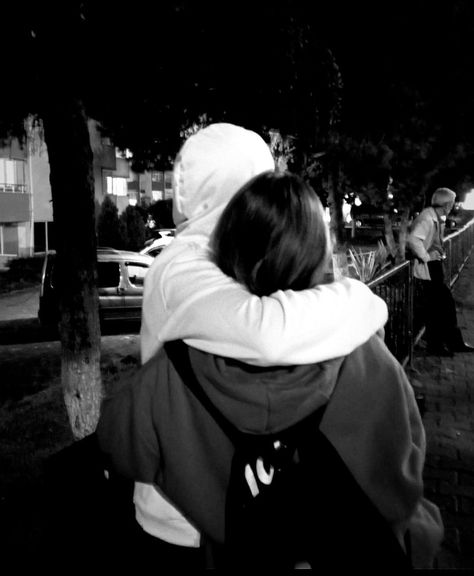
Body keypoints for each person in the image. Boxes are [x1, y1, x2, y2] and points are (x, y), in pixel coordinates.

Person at [98, 169, 443, 569]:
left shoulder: (173, 369)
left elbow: (120, 448)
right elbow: (405, 474)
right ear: (319, 255)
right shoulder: (370, 360)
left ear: (227, 255)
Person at [129, 123, 388, 566]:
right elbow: (269, 334)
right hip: (182, 518)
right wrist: (361, 300)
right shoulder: (181, 266)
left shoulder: (233, 248)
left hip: (236, 500)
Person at [407, 187, 474, 356]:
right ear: (446, 204)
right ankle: (441, 345)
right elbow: (414, 239)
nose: (452, 206)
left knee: (441, 306)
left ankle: (447, 343)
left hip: (433, 266)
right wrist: (426, 257)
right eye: (451, 202)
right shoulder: (427, 218)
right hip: (429, 267)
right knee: (441, 307)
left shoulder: (434, 217)